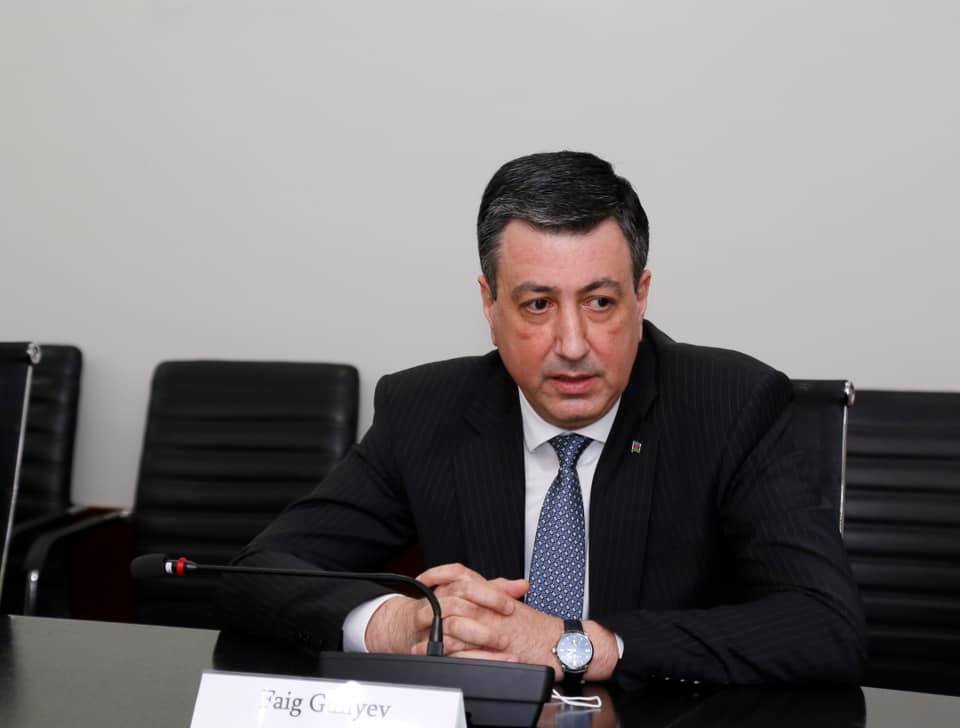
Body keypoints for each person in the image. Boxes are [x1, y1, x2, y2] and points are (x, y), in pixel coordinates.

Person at [220, 151, 866, 687]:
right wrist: (391, 623)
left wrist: (576, 643)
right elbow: (260, 572)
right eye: (537, 305)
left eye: (601, 302)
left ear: (640, 296)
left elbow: (825, 624)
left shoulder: (728, 405)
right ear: (489, 304)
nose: (573, 343)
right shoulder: (426, 409)